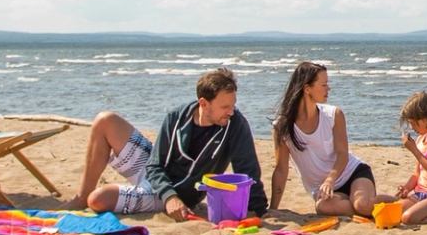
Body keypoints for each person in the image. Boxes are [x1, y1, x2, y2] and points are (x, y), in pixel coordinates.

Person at [67, 66, 268, 220]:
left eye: (233, 105)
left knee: (99, 199)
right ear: (203, 103)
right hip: (159, 179)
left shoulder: (235, 125)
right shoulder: (176, 117)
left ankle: (90, 199)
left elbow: (248, 171)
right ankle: (80, 198)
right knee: (105, 120)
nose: (231, 111)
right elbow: (154, 165)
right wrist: (169, 196)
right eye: (225, 106)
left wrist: (257, 210)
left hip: (173, 192)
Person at [269, 61, 377, 217]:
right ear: (307, 89)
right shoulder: (282, 127)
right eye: (324, 85)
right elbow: (281, 169)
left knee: (362, 205)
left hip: (353, 173)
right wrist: (273, 208)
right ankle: (357, 202)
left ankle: (401, 203)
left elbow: (342, 154)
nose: (329, 89)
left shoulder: (334, 115)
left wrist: (329, 180)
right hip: (327, 191)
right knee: (322, 208)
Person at [375, 91, 427, 224]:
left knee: (408, 218)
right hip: (421, 193)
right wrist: (407, 188)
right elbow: (418, 172)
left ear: (424, 120)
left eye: (413, 123)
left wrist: (414, 150)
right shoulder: (421, 139)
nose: (412, 128)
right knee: (393, 211)